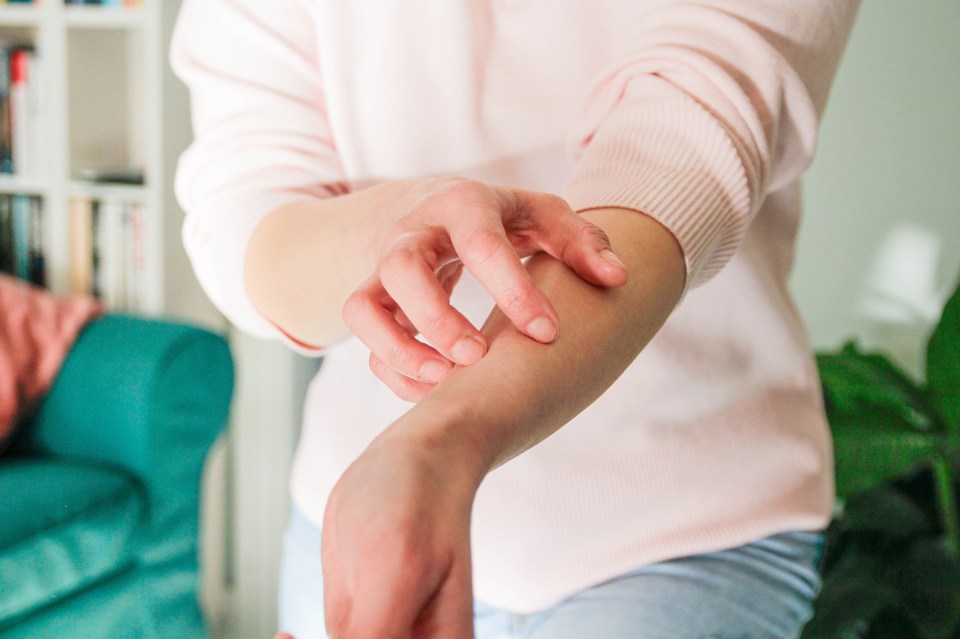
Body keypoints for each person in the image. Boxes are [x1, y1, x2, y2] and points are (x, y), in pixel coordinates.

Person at [171, 1, 860, 637]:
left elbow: (688, 137)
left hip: (677, 533)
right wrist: (394, 227)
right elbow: (248, 206)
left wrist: (442, 439)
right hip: (361, 514)